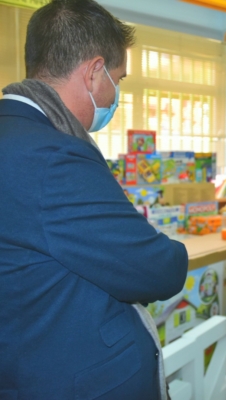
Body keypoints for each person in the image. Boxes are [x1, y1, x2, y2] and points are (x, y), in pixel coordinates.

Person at [0, 1, 189, 399]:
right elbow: (158, 269)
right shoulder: (54, 156)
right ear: (93, 72)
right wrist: (163, 242)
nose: (116, 94)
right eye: (118, 79)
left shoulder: (13, 136)